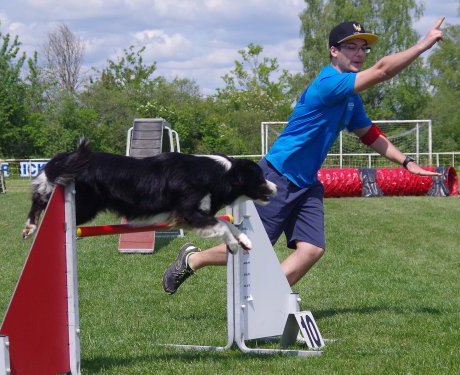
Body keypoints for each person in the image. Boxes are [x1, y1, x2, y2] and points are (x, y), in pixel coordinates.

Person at [163, 17, 445, 295]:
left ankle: (268, 301)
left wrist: (407, 163)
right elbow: (382, 71)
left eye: (363, 48)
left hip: (307, 182)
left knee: (311, 250)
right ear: (334, 51)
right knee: (251, 245)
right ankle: (193, 259)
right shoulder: (329, 83)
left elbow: (369, 134)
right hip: (277, 176)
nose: (359, 53)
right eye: (352, 47)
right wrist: (423, 45)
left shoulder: (350, 98)